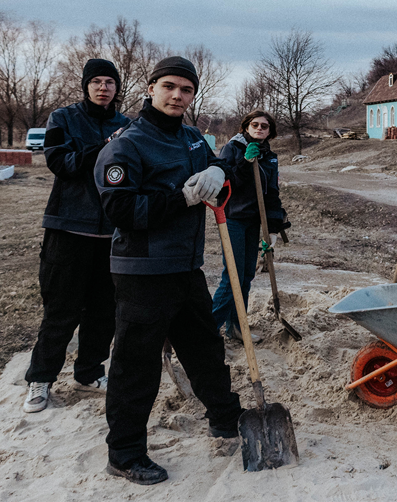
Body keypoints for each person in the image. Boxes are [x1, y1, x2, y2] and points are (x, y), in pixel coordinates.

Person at [95, 56, 243, 485]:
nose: (178, 96)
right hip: (142, 270)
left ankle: (226, 417)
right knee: (135, 365)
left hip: (184, 265)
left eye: (187, 90)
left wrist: (218, 169)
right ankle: (124, 453)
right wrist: (182, 200)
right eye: (170, 87)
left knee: (205, 349)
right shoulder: (125, 144)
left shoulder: (193, 139)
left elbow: (225, 168)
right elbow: (119, 209)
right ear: (151, 88)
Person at [23, 59, 130, 414]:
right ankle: (40, 379)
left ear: (117, 88)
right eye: (97, 81)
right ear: (85, 86)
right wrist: (104, 147)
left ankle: (88, 372)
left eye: (110, 82)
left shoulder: (127, 124)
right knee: (61, 310)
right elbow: (60, 163)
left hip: (110, 233)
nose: (104, 88)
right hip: (68, 228)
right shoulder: (63, 119)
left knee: (103, 310)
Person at [210, 109, 290, 342]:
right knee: (232, 276)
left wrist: (273, 229)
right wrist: (245, 162)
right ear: (246, 127)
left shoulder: (270, 156)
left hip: (254, 221)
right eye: (254, 125)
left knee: (246, 276)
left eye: (264, 126)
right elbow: (225, 183)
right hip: (232, 218)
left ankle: (236, 326)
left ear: (270, 132)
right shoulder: (232, 148)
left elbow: (272, 194)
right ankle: (207, 330)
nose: (259, 129)